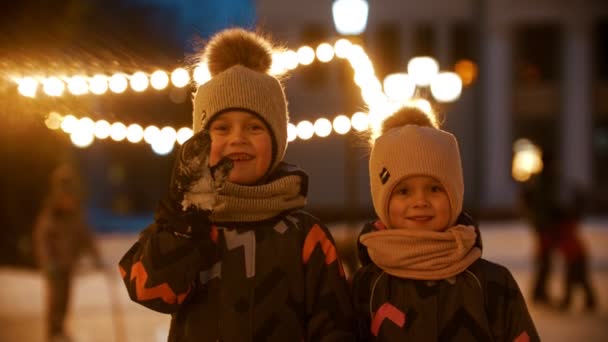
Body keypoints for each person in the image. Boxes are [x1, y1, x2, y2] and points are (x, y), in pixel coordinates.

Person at [118, 28, 354, 341]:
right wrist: (182, 226)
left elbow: (335, 326)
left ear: (277, 139)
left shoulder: (304, 235)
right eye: (222, 128)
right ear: (202, 140)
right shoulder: (188, 223)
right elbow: (150, 290)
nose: (237, 139)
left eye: (254, 127)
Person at [351, 105, 539, 341]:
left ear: (455, 192)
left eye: (434, 188)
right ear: (381, 199)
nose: (420, 201)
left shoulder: (491, 283)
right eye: (404, 191)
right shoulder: (367, 286)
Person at [33, 162, 103, 342]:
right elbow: (43, 239)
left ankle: (60, 328)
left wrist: (96, 258)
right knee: (55, 299)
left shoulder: (75, 214)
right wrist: (48, 261)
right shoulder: (51, 213)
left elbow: (85, 237)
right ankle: (53, 331)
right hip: (54, 266)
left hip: (67, 263)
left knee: (65, 299)